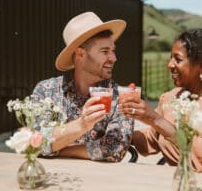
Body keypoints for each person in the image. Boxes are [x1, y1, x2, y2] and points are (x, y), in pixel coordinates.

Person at [119, 28, 202, 172]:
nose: (170, 64)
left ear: (201, 65)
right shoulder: (170, 98)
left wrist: (156, 119)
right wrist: (115, 130)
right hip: (181, 181)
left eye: (178, 59)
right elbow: (153, 138)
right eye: (171, 58)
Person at [31, 12, 133, 162]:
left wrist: (59, 147)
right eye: (105, 51)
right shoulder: (46, 90)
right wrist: (82, 124)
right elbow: (34, 143)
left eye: (113, 51)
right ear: (80, 55)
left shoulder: (120, 96)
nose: (113, 58)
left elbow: (115, 149)